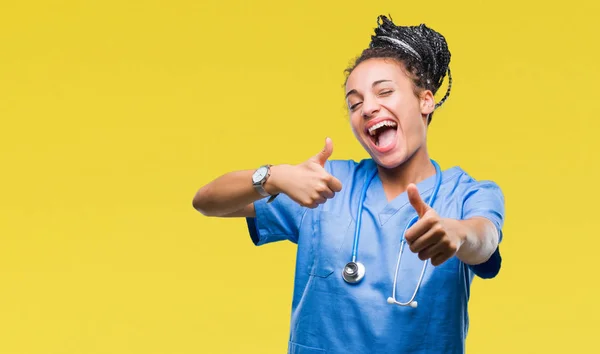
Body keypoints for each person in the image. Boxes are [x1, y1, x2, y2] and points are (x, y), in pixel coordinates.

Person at [193, 15, 505, 354]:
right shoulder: (325, 185)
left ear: (425, 101)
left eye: (384, 91)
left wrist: (457, 234)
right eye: (354, 104)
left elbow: (484, 240)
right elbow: (207, 202)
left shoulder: (468, 194)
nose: (368, 108)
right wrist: (274, 177)